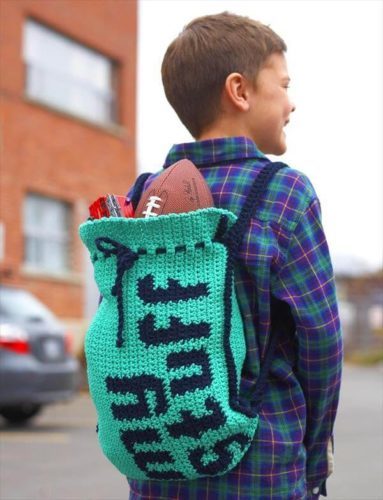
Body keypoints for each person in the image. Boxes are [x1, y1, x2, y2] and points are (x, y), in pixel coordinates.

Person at [128, 12, 343, 500]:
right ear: (240, 91)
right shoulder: (285, 192)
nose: (292, 102)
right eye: (283, 84)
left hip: (157, 467)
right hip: (262, 468)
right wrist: (313, 458)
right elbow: (322, 344)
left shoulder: (144, 196)